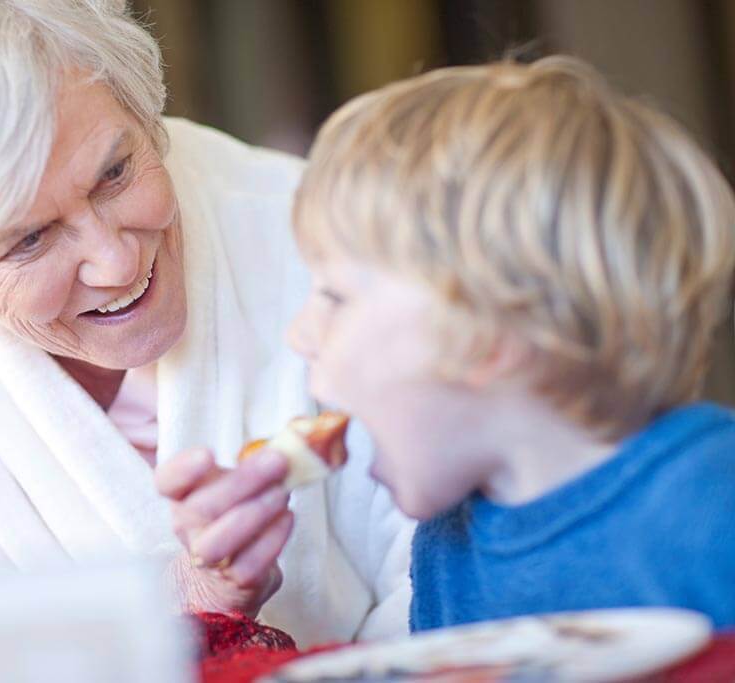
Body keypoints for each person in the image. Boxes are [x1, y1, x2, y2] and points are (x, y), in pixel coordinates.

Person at [0, 0, 412, 644]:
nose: (114, 262)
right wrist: (173, 608)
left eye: (113, 174)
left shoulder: (320, 234)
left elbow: (452, 581)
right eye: (28, 239)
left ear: (140, 112)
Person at [281, 56, 735, 631]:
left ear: (486, 336)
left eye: (335, 296)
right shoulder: (448, 552)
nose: (300, 334)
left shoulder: (712, 500)